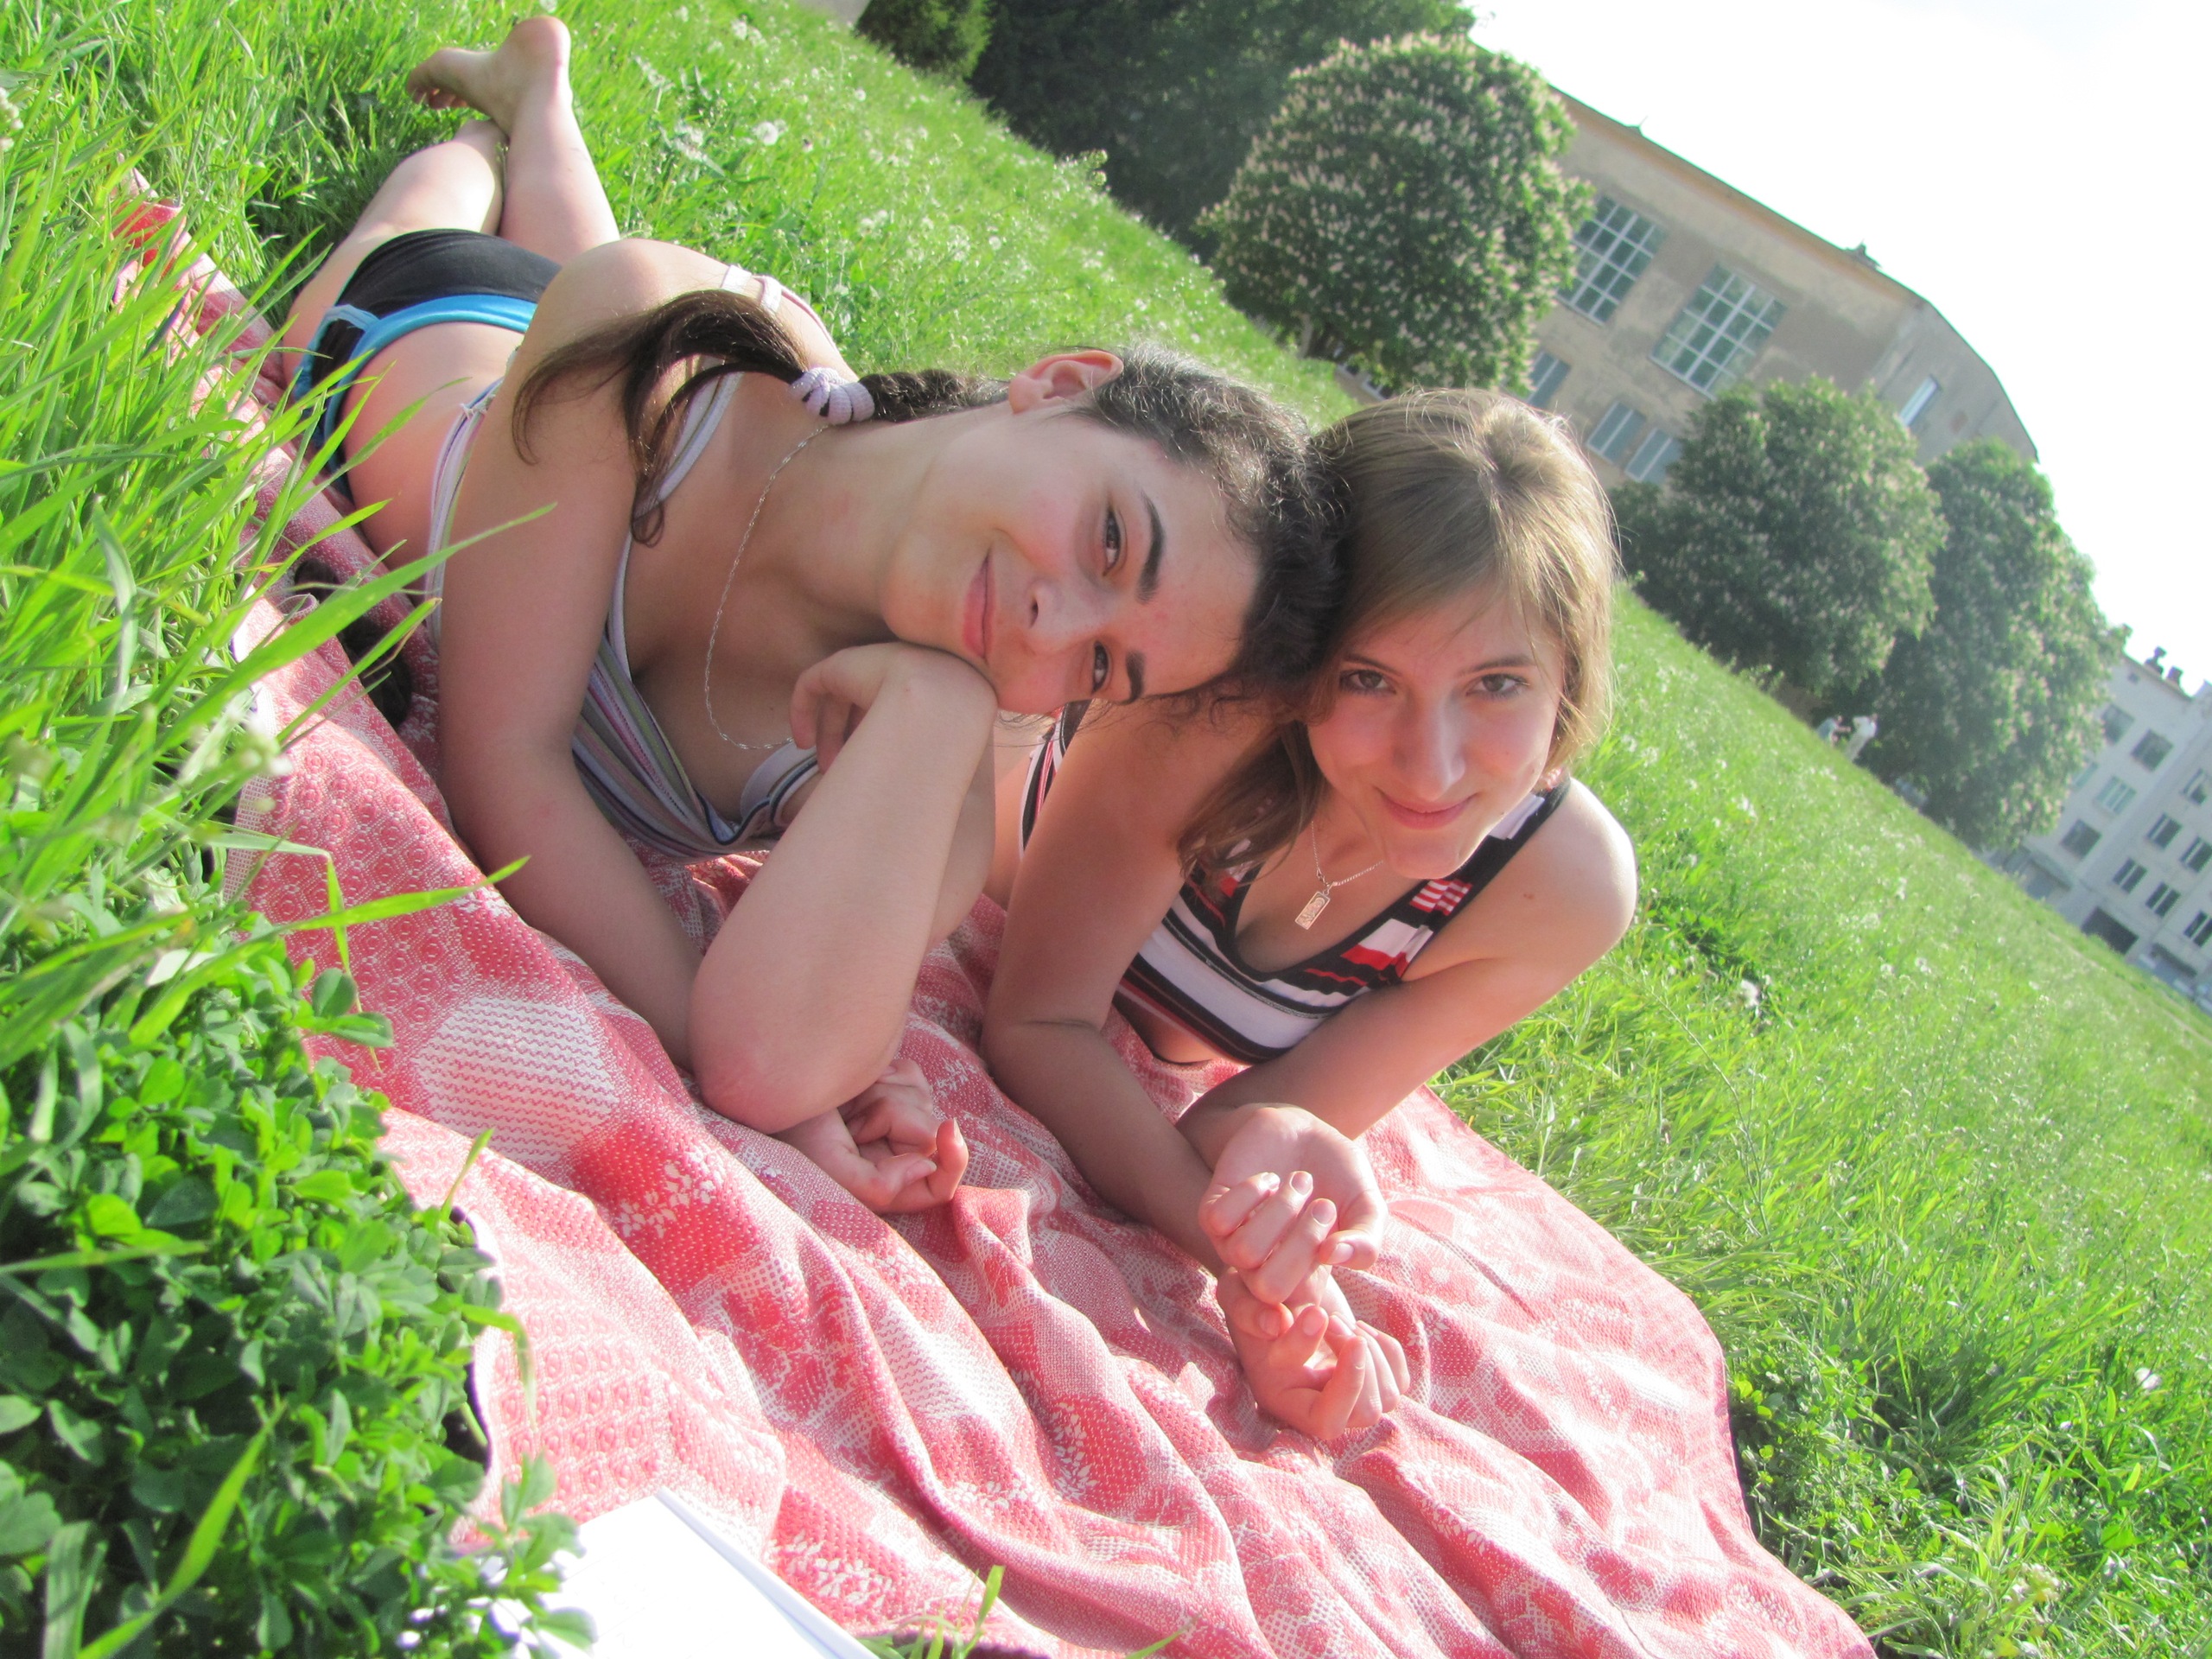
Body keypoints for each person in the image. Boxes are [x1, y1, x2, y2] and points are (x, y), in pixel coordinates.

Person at [278, 18, 1336, 1214]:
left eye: (1102, 667)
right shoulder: (645, 342)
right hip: (419, 333)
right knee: (465, 212)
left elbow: (773, 1052)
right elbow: (504, 762)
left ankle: (541, 94)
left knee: (624, 298)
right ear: (1060, 387)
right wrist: (732, 1047)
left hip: (666, 395)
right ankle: (512, 115)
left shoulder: (949, 754)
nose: (1050, 629)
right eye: (1108, 541)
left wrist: (931, 705)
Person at [983, 390, 1639, 1435]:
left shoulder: (1556, 892)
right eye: (1370, 679)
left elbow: (1240, 1120)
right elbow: (1038, 1022)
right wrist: (1239, 1258)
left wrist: (1277, 1187)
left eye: (1497, 685)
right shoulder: (1212, 715)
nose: (1431, 767)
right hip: (982, 884)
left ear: (1568, 678)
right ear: (1305, 650)